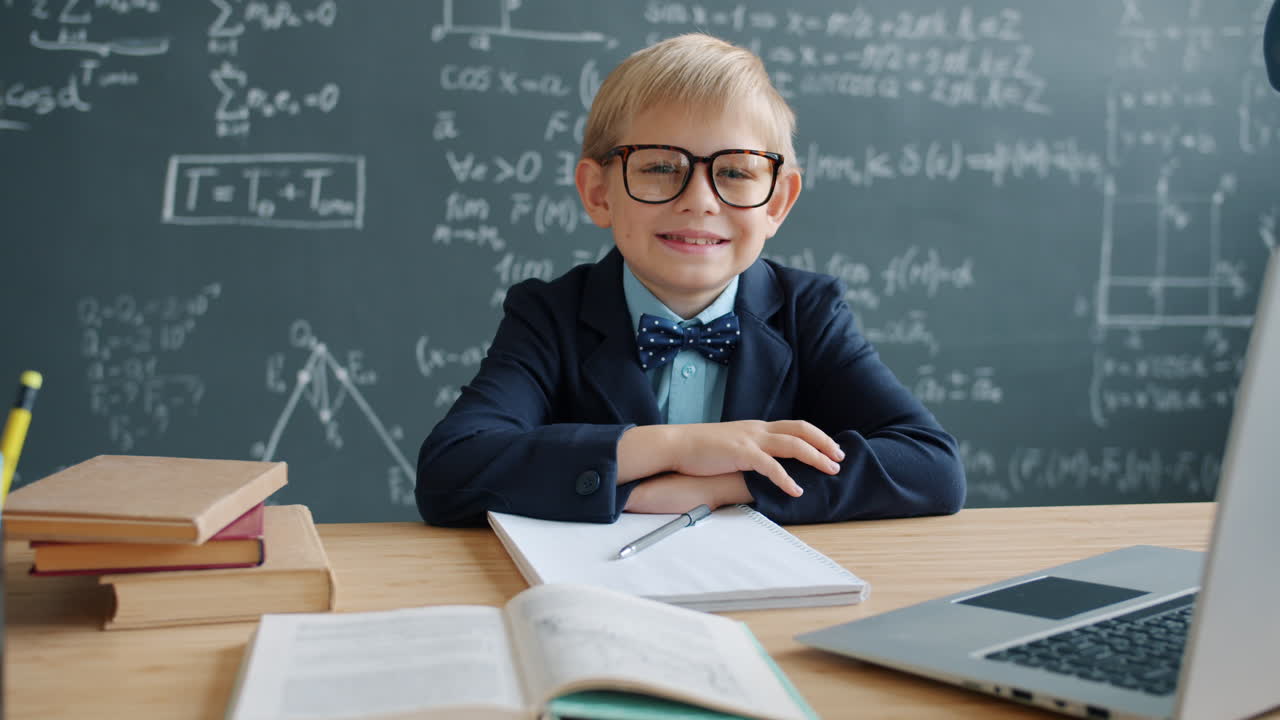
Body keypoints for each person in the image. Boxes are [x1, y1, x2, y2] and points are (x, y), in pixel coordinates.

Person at [417, 33, 964, 526]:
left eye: (734, 171)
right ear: (598, 193)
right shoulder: (549, 315)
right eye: (659, 167)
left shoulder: (808, 311)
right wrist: (680, 446)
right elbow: (453, 467)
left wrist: (731, 484)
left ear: (777, 202)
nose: (699, 201)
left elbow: (931, 466)